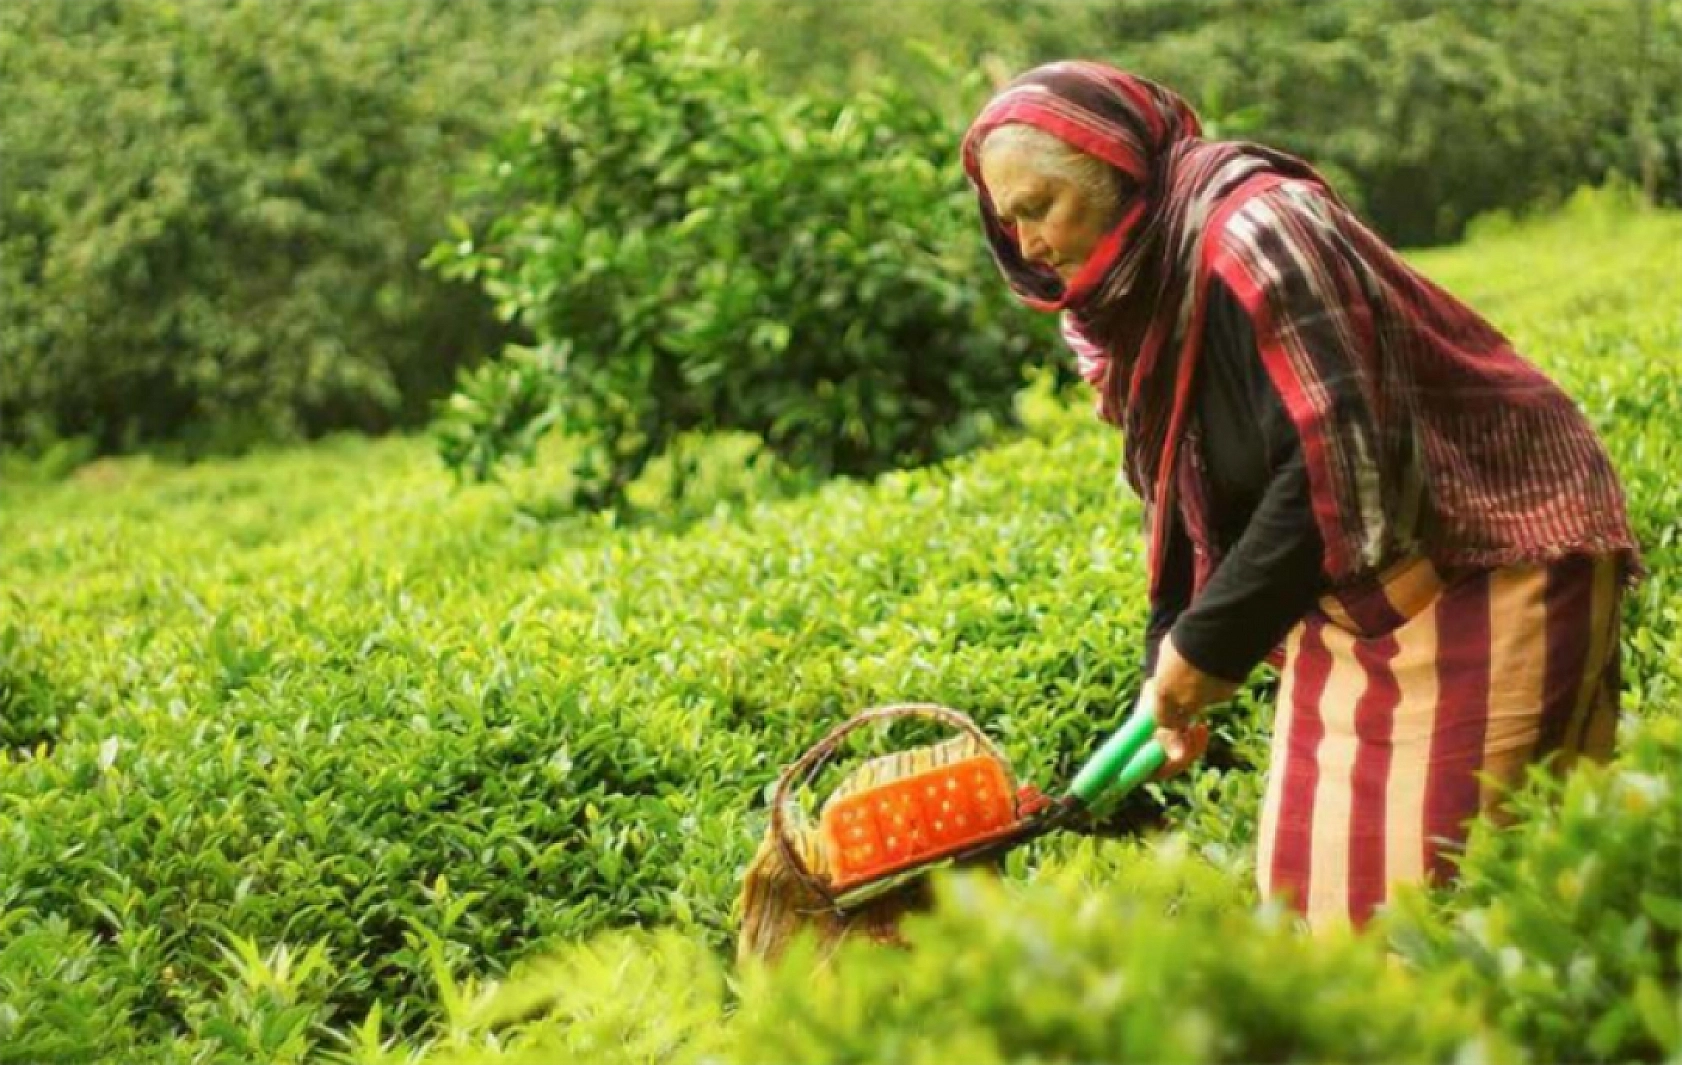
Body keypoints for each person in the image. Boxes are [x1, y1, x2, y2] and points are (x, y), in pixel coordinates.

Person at [961, 61, 1640, 932]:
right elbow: (1185, 485)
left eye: (1040, 205)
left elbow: (1344, 459)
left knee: (1430, 923)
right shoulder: (1141, 293)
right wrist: (1167, 656)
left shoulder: (1258, 232)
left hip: (1487, 556)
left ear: (1121, 171)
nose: (1024, 243)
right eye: (1006, 217)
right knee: (1312, 901)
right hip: (1359, 581)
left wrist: (1208, 646)